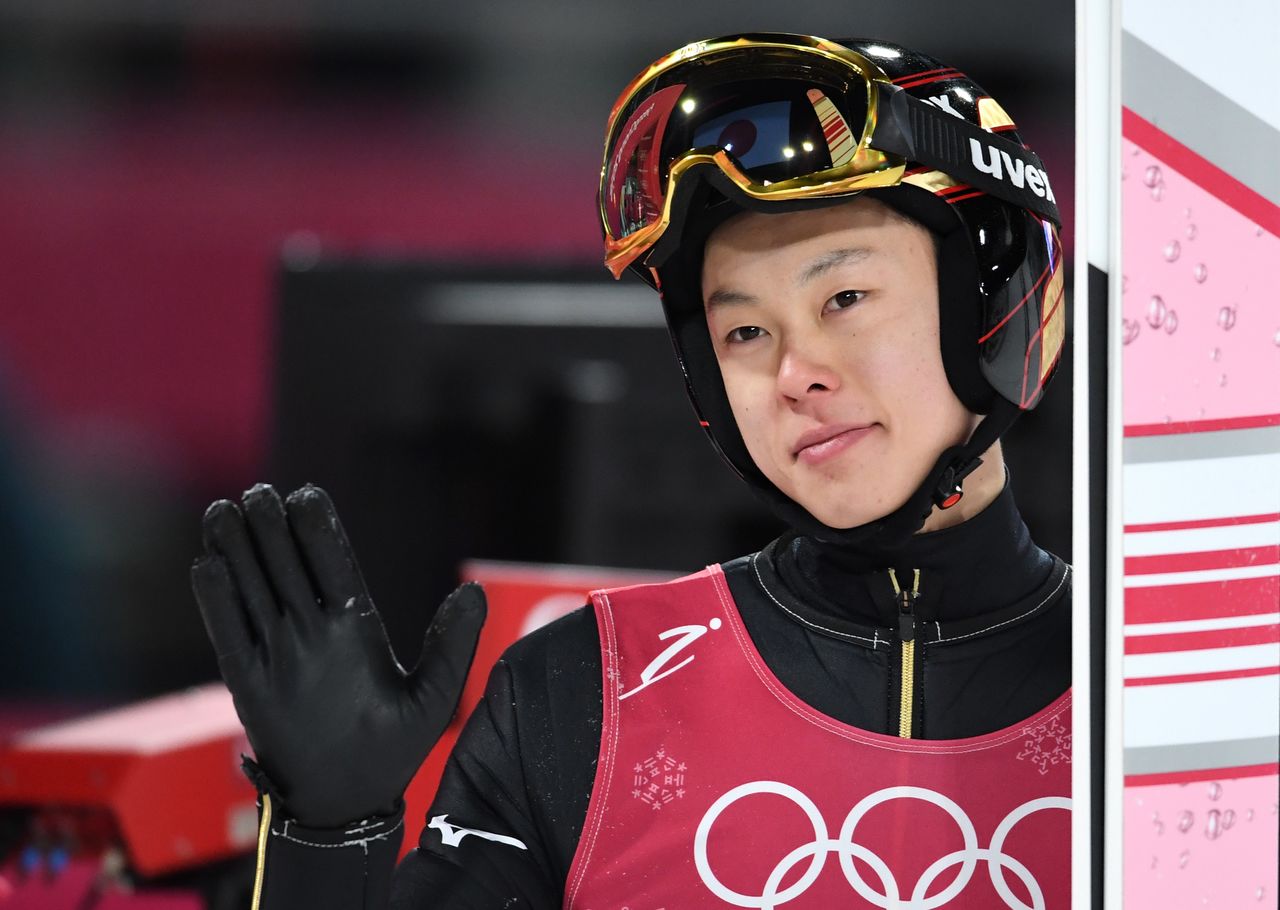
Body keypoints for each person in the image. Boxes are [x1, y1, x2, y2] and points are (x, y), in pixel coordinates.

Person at [192, 33, 1072, 908]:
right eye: (745, 333)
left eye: (844, 299)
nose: (794, 372)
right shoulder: (583, 693)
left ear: (993, 297)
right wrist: (329, 838)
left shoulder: (1165, 687)